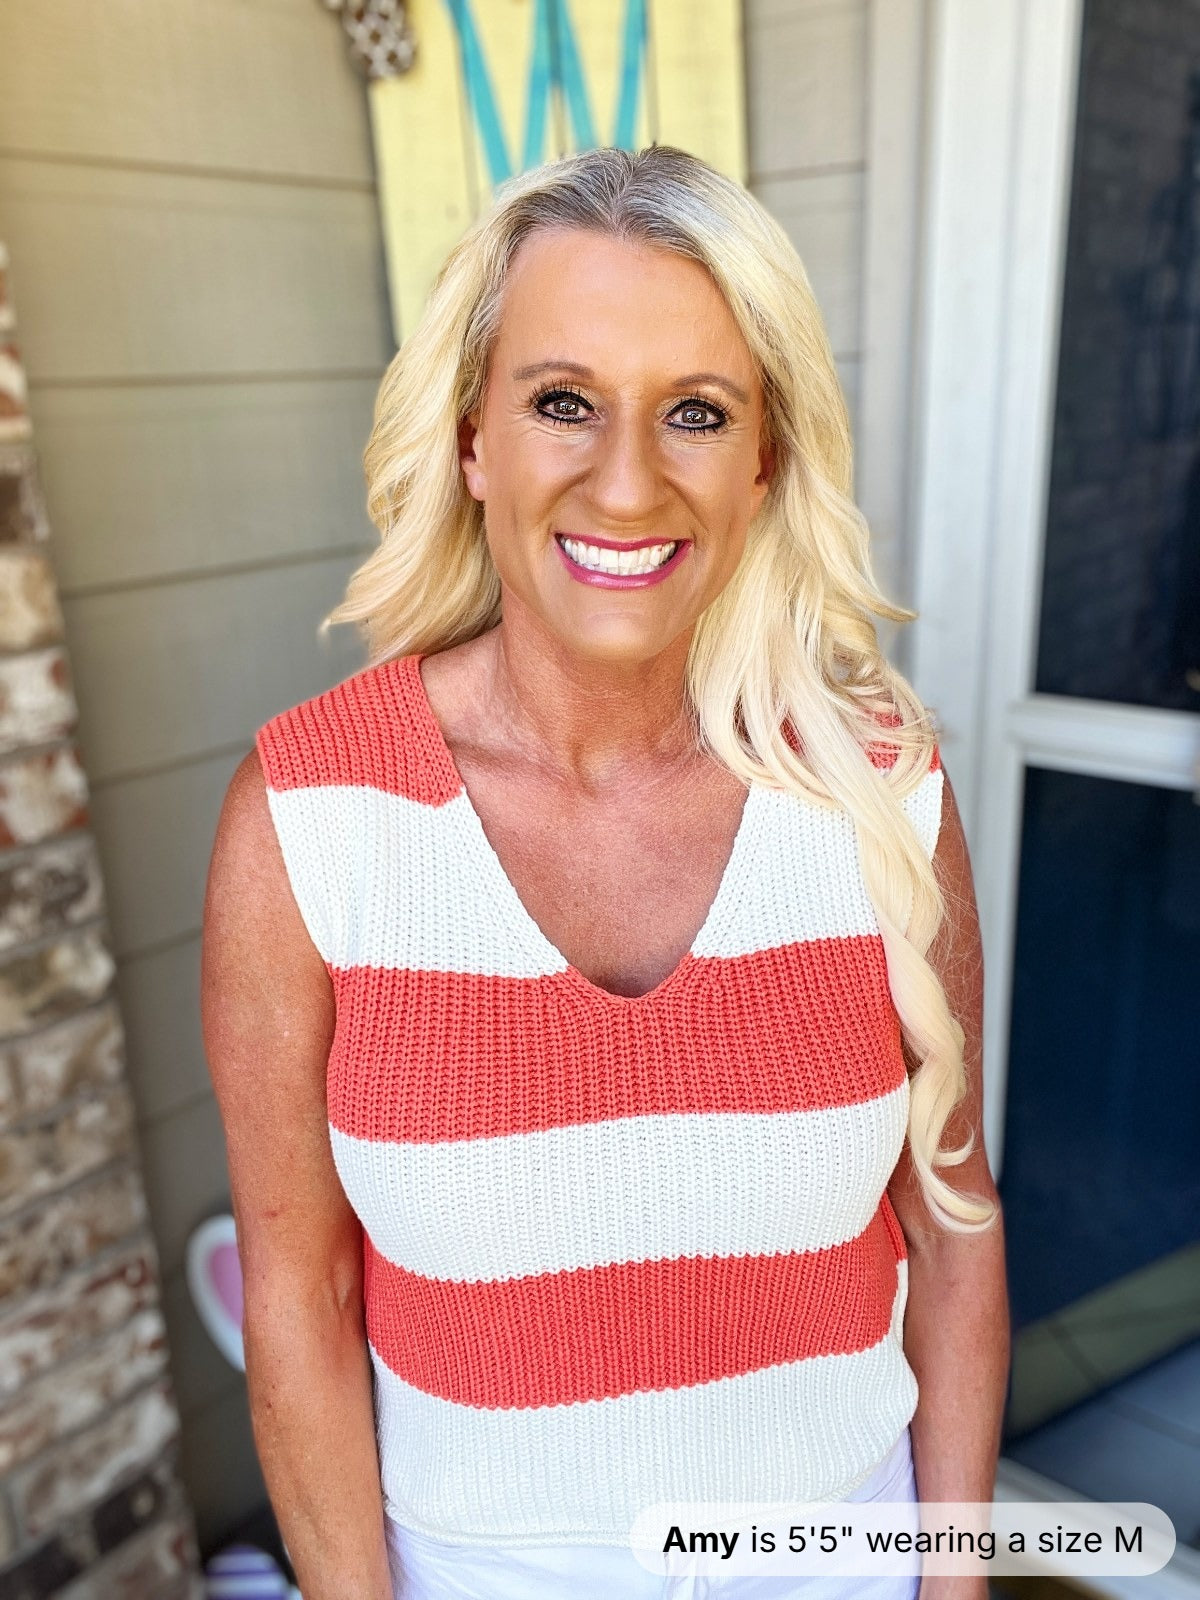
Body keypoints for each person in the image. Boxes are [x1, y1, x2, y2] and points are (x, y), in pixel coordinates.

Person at [201, 144, 1009, 1600]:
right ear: (472, 441)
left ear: (765, 460)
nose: (626, 483)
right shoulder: (309, 819)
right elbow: (299, 1297)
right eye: (562, 402)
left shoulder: (881, 791)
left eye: (696, 412)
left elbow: (954, 1234)